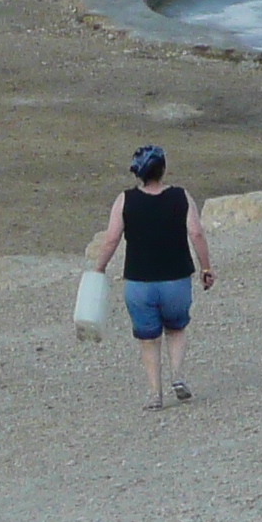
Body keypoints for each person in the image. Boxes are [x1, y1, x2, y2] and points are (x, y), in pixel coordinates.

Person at [86, 144, 213, 409]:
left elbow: (110, 239)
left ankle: (155, 395)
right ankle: (177, 377)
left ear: (138, 174)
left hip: (139, 282)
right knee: (176, 329)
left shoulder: (125, 200)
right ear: (163, 169)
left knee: (147, 339)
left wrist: (98, 269)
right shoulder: (181, 196)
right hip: (176, 279)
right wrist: (205, 267)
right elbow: (196, 233)